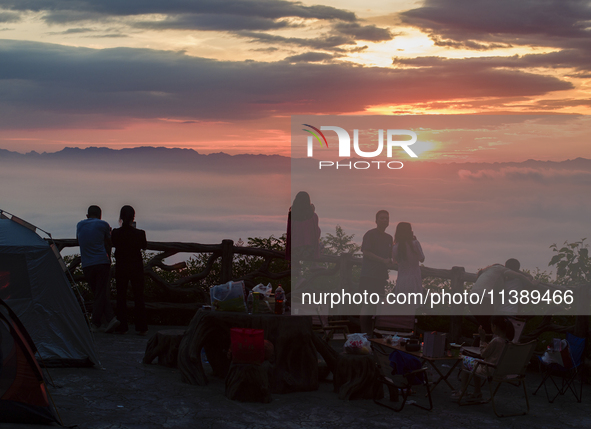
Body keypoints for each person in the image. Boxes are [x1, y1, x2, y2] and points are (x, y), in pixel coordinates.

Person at [77, 205, 120, 333]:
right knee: (100, 293)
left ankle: (108, 320)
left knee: (98, 292)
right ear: (100, 215)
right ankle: (97, 323)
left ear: (87, 215)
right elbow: (109, 242)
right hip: (101, 262)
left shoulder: (79, 225)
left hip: (87, 264)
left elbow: (78, 240)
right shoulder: (104, 225)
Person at [451, 316, 515, 402]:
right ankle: (477, 393)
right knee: (477, 363)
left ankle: (463, 391)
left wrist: (482, 339)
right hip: (502, 372)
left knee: (465, 360)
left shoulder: (496, 341)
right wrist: (487, 345)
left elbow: (483, 354)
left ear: (495, 327)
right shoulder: (509, 342)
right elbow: (495, 352)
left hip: (489, 370)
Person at [111, 205, 148, 335]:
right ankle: (141, 326)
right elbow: (144, 246)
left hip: (121, 267)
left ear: (121, 217)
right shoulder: (139, 233)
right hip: (136, 267)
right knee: (139, 296)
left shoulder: (115, 233)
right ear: (133, 217)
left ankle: (122, 326)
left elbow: (113, 243)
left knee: (121, 296)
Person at [359, 210, 393, 337]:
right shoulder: (370, 234)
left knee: (377, 306)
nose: (385, 220)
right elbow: (366, 252)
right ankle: (364, 334)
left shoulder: (389, 238)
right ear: (376, 220)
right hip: (368, 275)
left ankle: (373, 334)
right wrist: (382, 260)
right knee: (367, 305)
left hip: (381, 276)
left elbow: (390, 257)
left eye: (387, 218)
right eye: (382, 218)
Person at [392, 222, 425, 311]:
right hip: (414, 279)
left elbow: (395, 261)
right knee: (414, 307)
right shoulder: (415, 244)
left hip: (401, 280)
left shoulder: (395, 247)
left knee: (402, 307)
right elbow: (422, 258)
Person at [286, 191, 321, 264]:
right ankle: (314, 265)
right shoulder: (313, 216)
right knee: (321, 245)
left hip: (294, 251)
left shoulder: (291, 215)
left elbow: (289, 234)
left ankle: (295, 267)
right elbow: (316, 234)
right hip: (309, 252)